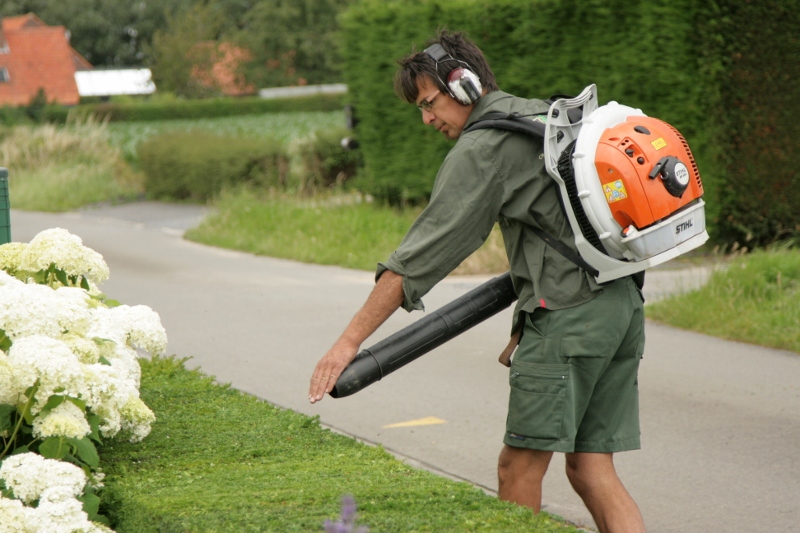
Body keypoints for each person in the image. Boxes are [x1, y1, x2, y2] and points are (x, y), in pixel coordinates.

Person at [309, 29, 647, 533]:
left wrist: (346, 343)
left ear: (464, 86)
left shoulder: (484, 148)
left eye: (429, 103)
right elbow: (559, 230)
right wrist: (525, 317)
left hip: (570, 322)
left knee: (518, 468)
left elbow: (417, 260)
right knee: (591, 467)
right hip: (620, 306)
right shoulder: (540, 115)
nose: (426, 120)